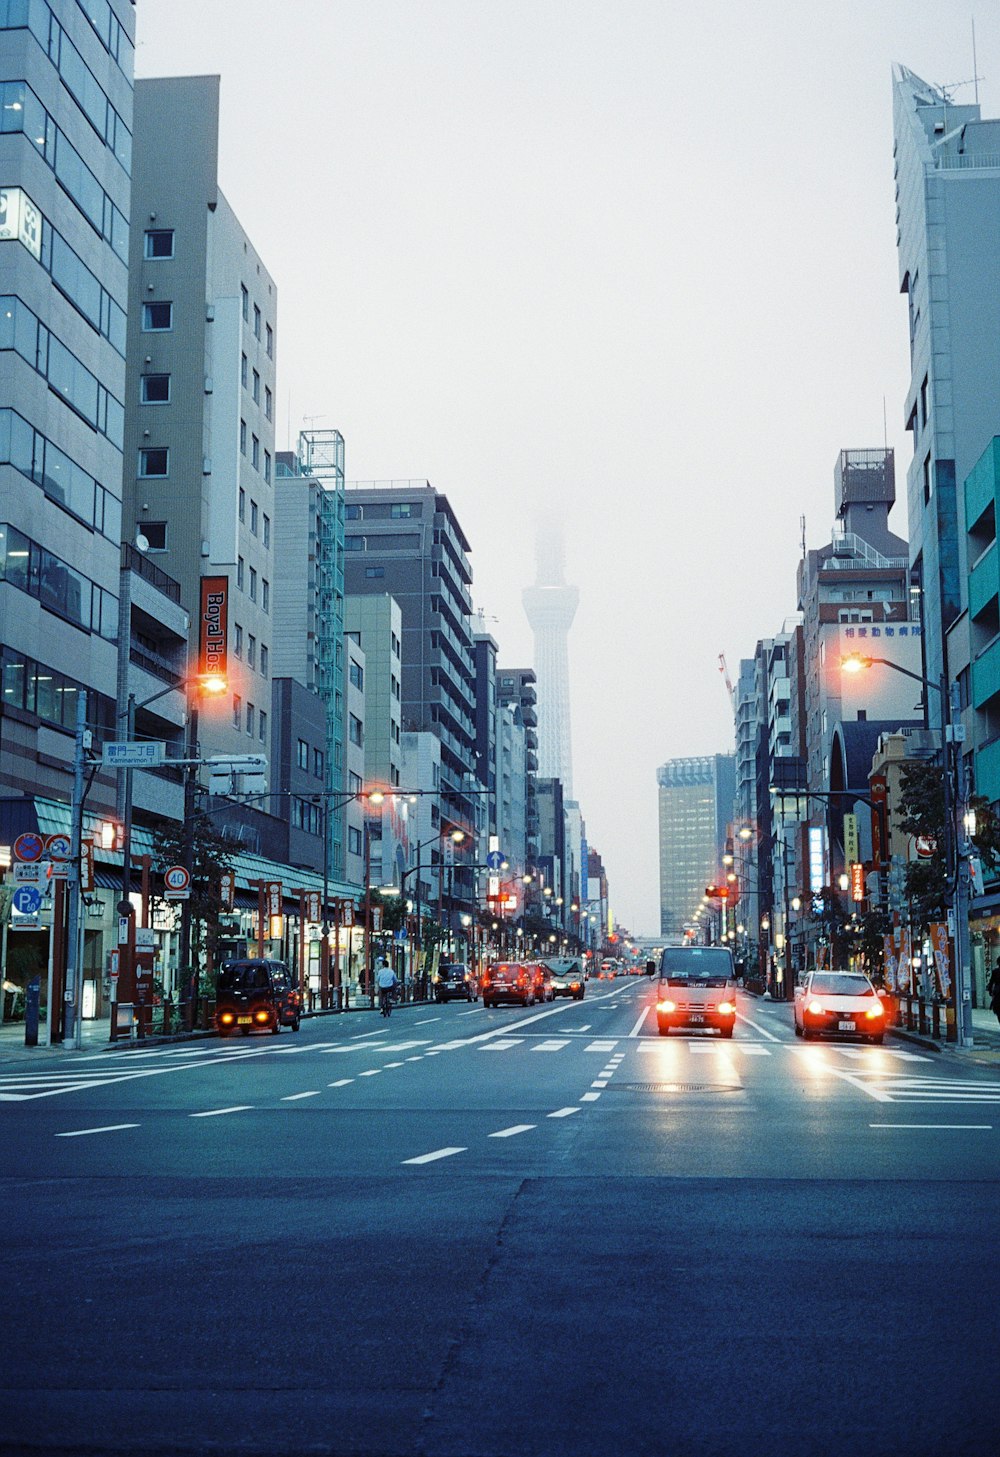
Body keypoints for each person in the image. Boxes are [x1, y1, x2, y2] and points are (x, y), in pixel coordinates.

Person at [988, 960, 1000, 1028]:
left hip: (998, 992)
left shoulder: (995, 971)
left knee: (998, 1010)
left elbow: (991, 982)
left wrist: (990, 991)